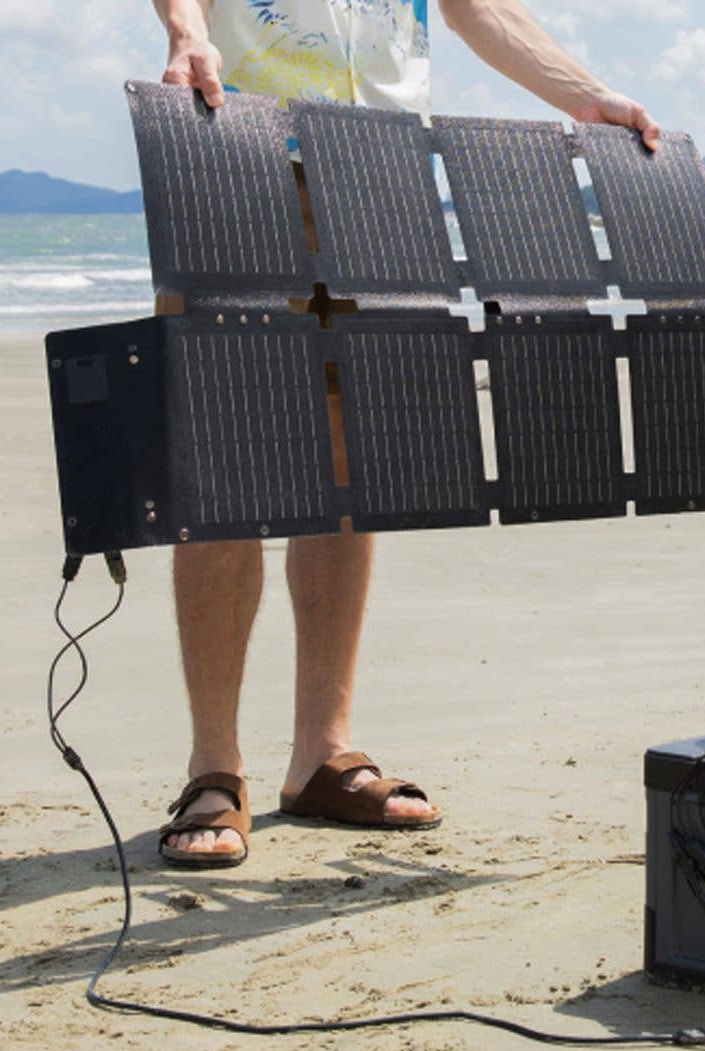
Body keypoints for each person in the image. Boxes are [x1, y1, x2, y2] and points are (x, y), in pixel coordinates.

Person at [148, 0, 662, 867]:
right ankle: (214, 770)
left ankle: (321, 757)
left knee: (354, 474)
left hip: (380, 182)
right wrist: (186, 33)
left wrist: (587, 97)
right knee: (224, 471)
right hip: (232, 155)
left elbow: (479, 7)